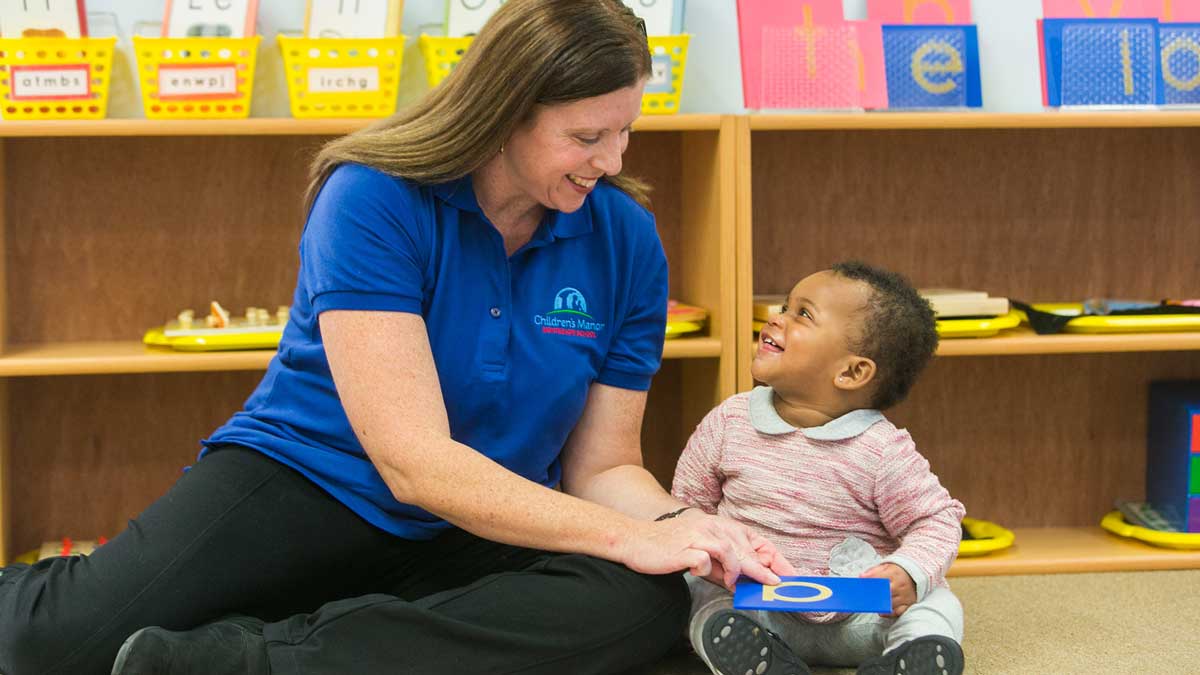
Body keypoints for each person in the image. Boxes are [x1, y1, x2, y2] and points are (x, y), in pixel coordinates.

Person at [0, 2, 795, 674]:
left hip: (486, 517)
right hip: (310, 483)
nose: (613, 160)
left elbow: (606, 465)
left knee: (645, 597)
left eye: (627, 130)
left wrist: (679, 535)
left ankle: (254, 658)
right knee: (56, 644)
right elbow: (413, 461)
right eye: (588, 136)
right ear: (507, 109)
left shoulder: (625, 239)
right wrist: (632, 534)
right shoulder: (373, 198)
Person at [672, 262, 967, 675]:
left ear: (851, 372)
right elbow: (686, 508)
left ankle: (912, 655)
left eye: (803, 314)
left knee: (937, 601)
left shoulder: (881, 448)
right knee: (695, 592)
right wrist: (710, 555)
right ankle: (757, 660)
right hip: (758, 609)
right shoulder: (729, 422)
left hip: (862, 619)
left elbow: (937, 520)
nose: (777, 318)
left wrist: (908, 571)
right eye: (785, 307)